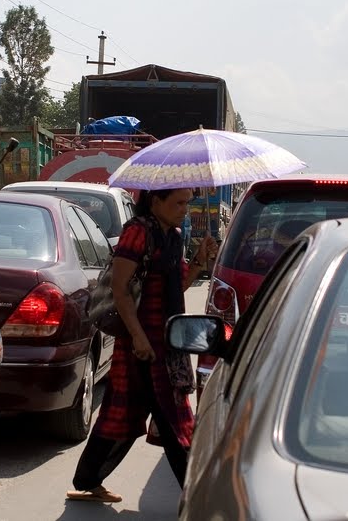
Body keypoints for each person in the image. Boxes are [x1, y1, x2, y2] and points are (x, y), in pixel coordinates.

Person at [67, 188, 218, 504]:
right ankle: (199, 498)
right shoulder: (137, 232)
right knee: (175, 417)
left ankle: (87, 481)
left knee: (121, 413)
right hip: (141, 340)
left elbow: (178, 285)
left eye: (187, 202)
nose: (184, 209)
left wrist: (200, 262)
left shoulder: (173, 236)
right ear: (155, 201)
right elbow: (120, 290)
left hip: (167, 341)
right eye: (178, 202)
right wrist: (137, 337)